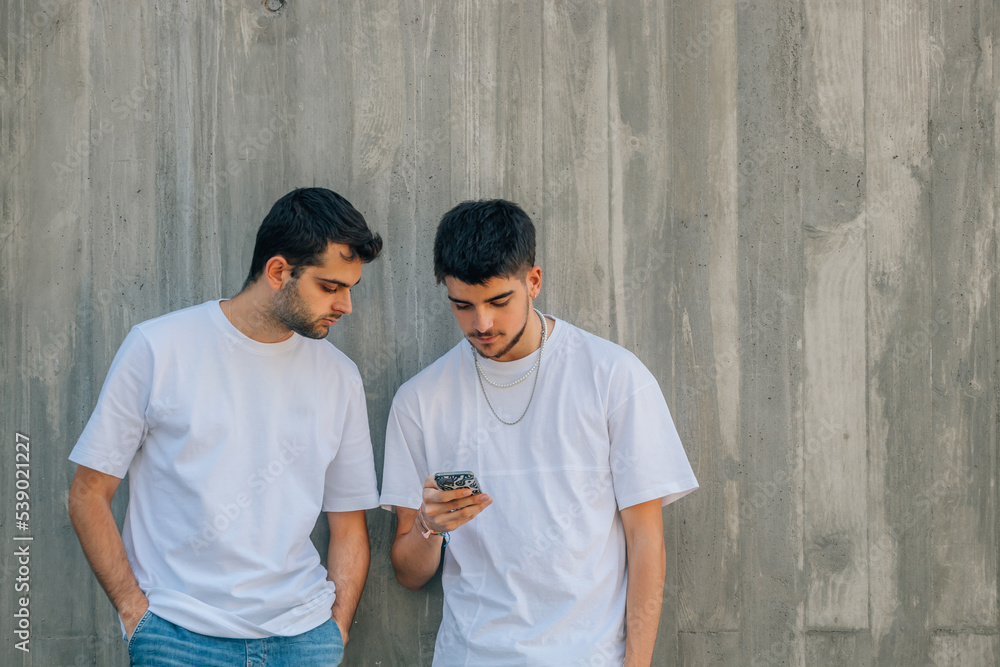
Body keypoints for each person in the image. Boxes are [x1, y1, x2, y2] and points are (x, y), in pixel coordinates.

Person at [68, 187, 383, 666]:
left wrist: (334, 633)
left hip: (303, 639)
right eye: (330, 286)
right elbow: (88, 493)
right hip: (178, 637)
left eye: (349, 289)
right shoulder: (159, 348)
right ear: (278, 271)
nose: (346, 306)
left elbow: (348, 525)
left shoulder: (339, 376)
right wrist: (136, 615)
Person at [379, 199, 699, 666]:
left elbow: (646, 542)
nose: (481, 323)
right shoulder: (419, 400)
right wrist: (430, 527)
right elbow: (408, 573)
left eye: (498, 301)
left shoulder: (612, 377)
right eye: (462, 305)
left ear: (533, 281)